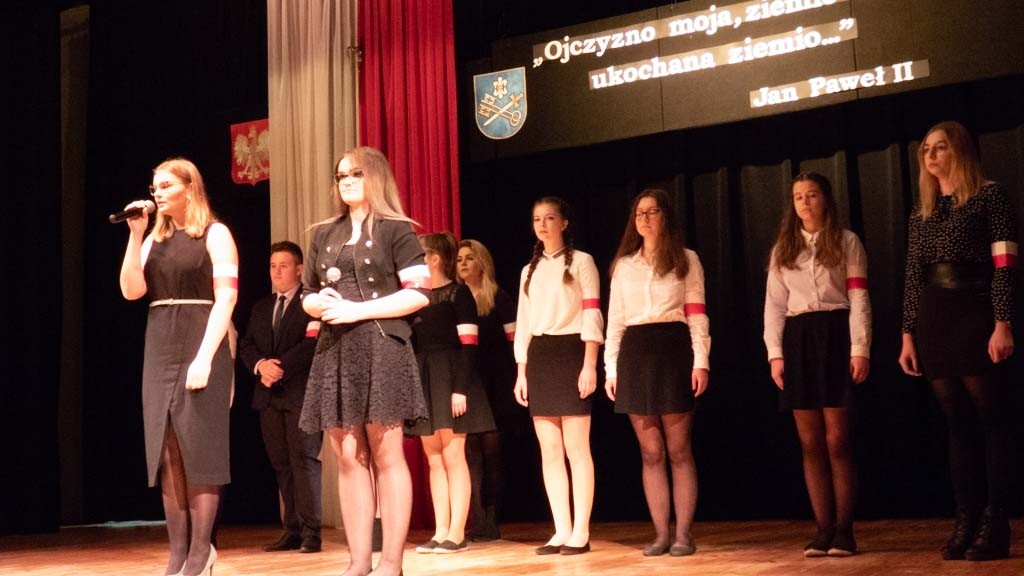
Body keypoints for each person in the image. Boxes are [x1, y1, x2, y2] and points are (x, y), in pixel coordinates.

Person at [299, 146, 430, 576]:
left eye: (355, 173)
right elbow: (306, 296)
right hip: (335, 349)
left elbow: (418, 294)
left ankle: (391, 562)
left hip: (382, 345)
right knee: (348, 455)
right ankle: (358, 562)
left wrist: (358, 310)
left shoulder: (397, 229)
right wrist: (319, 303)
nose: (347, 181)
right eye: (341, 176)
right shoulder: (324, 233)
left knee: (386, 454)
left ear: (375, 176)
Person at [899, 121, 1017, 562]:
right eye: (926, 149)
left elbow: (1005, 264)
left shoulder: (989, 196)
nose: (931, 156)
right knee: (956, 423)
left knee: (991, 418)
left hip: (975, 309)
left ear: (960, 150)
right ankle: (965, 519)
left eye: (940, 147)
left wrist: (1002, 321)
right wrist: (907, 333)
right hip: (934, 316)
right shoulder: (921, 211)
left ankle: (996, 521)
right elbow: (913, 274)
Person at [119, 157, 238, 576]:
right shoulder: (154, 238)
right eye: (155, 187)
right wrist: (135, 235)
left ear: (190, 187)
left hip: (201, 338)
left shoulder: (216, 233)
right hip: (160, 343)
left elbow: (226, 298)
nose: (158, 192)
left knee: (199, 449)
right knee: (167, 452)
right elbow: (132, 291)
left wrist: (205, 356)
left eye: (167, 185)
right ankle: (178, 554)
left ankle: (202, 552)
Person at [763, 172, 871, 558]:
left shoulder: (846, 241)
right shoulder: (783, 249)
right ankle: (822, 529)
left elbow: (859, 297)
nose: (804, 202)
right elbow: (774, 305)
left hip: (836, 334)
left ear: (825, 199)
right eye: (798, 197)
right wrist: (775, 353)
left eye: (811, 195)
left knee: (837, 440)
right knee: (810, 441)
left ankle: (844, 530)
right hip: (799, 339)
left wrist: (860, 347)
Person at [604, 189, 710, 557]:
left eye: (652, 211)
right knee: (651, 452)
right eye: (639, 213)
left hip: (673, 350)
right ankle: (661, 533)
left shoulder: (686, 259)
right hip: (635, 353)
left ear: (666, 216)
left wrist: (701, 361)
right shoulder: (624, 266)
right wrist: (611, 368)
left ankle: (683, 534)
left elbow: (697, 315)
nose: (645, 218)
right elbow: (615, 322)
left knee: (678, 449)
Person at [513, 196, 604, 555]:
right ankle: (561, 529)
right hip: (541, 355)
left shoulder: (582, 262)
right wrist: (521, 371)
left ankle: (581, 530)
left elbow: (592, 313)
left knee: (577, 448)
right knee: (550, 451)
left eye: (550, 218)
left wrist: (589, 364)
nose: (543, 224)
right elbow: (524, 323)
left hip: (571, 352)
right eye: (538, 219)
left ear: (564, 223)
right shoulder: (528, 270)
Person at [406, 232, 496, 554]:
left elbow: (469, 345)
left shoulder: (458, 294)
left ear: (434, 259)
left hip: (452, 376)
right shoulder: (414, 297)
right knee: (434, 458)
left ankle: (457, 532)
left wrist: (460, 389)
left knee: (454, 456)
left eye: (420, 255)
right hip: (425, 377)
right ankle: (441, 529)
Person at [239, 240, 323, 554]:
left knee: (304, 462)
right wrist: (261, 366)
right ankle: (292, 529)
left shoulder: (310, 303)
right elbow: (247, 345)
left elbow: (312, 344)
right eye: (273, 266)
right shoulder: (262, 307)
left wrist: (279, 369)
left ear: (299, 269)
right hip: (268, 397)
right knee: (281, 464)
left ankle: (312, 532)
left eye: (283, 266)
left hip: (301, 394)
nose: (276, 272)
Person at [457, 239, 524, 541]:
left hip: (496, 381)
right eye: (459, 259)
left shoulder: (498, 297)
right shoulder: (456, 298)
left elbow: (514, 342)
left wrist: (517, 378)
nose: (463, 263)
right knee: (470, 451)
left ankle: (492, 518)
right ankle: (477, 519)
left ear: (482, 263)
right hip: (469, 382)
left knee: (492, 453)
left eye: (469, 258)